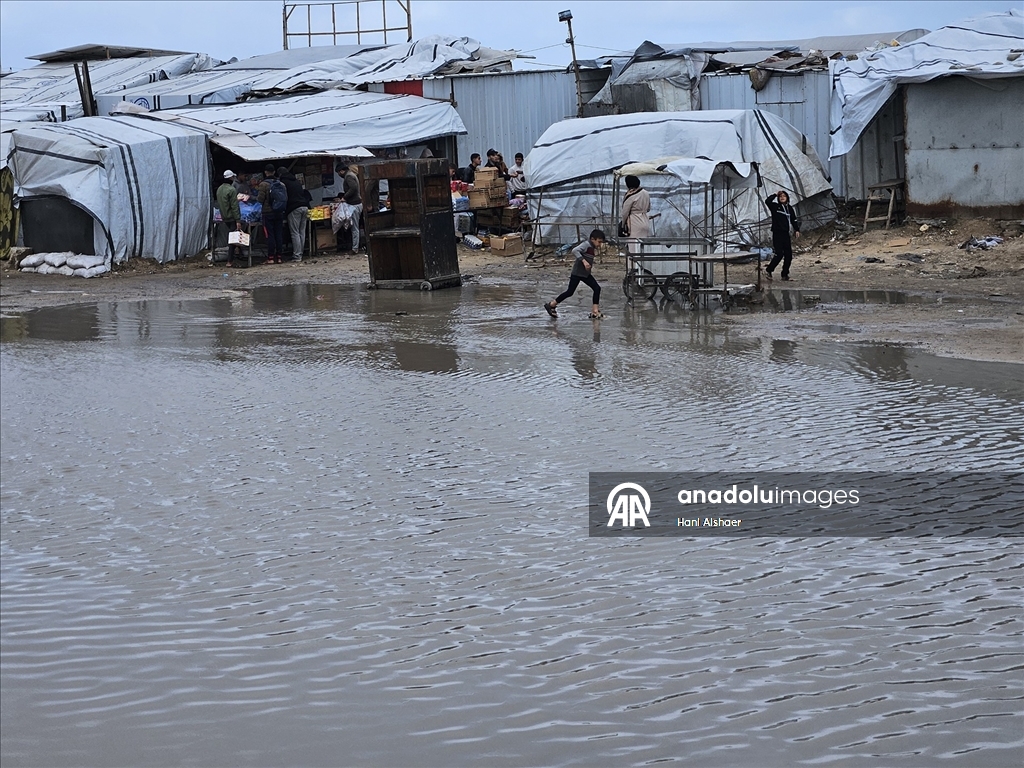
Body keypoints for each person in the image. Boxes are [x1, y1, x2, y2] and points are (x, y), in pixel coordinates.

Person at [544, 229, 606, 319]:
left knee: (596, 288)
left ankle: (595, 310)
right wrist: (584, 261)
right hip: (577, 273)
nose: (599, 244)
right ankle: (551, 305)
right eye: (599, 242)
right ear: (592, 239)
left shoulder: (591, 247)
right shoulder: (586, 245)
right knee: (570, 292)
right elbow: (575, 250)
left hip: (585, 273)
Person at [764, 190, 801, 281]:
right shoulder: (775, 207)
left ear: (787, 198)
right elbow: (767, 201)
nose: (782, 197)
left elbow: (793, 219)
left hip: (786, 234)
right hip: (777, 233)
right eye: (780, 196)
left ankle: (785, 274)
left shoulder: (789, 208)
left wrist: (797, 229)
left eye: (784, 196)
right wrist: (774, 194)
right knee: (779, 254)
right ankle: (769, 270)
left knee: (788, 255)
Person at [279, 167, 312, 262]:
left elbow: (284, 197)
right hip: (304, 206)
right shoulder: (296, 181)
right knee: (302, 231)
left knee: (295, 232)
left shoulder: (283, 183)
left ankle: (297, 256)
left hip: (294, 208)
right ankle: (300, 253)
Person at [256, 163, 286, 264]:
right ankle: (280, 257)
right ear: (274, 172)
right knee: (279, 234)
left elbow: (260, 199)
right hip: (279, 212)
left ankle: (271, 258)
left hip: (267, 213)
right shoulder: (281, 184)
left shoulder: (263, 184)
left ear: (265, 172)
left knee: (270, 235)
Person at [620, 175, 651, 264]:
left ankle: (634, 270)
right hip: (645, 220)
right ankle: (644, 267)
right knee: (643, 247)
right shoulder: (646, 193)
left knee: (633, 248)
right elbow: (648, 208)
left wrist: (622, 225)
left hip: (634, 222)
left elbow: (625, 212)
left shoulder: (631, 195)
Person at [217, 170, 244, 266]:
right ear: (230, 178)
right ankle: (230, 261)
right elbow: (234, 206)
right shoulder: (231, 190)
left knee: (232, 237)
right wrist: (238, 220)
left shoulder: (219, 189)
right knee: (233, 239)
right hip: (232, 217)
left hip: (224, 217)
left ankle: (238, 253)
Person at [337, 162, 363, 252]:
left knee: (354, 227)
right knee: (354, 226)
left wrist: (344, 197)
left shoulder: (348, 176)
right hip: (356, 203)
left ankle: (355, 248)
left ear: (342, 171)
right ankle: (355, 246)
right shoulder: (351, 174)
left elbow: (353, 188)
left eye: (338, 172)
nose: (338, 174)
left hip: (354, 204)